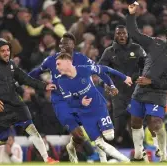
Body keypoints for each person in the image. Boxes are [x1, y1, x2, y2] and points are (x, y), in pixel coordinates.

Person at [28, 33, 117, 163]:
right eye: (62, 43)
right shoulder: (51, 60)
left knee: (86, 135)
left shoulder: (82, 59)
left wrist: (110, 84)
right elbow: (36, 72)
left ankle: (73, 147)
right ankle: (86, 152)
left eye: (67, 43)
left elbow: (98, 71)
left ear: (73, 45)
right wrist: (24, 82)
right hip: (61, 102)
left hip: (79, 99)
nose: (63, 46)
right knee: (78, 134)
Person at [0, 38, 58, 164]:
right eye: (3, 51)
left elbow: (25, 79)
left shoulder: (12, 65)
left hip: (14, 102)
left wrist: (43, 86)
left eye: (8, 50)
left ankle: (47, 158)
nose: (6, 53)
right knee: (5, 136)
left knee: (32, 128)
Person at [126, 3, 167, 162]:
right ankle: (139, 153)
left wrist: (151, 81)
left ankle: (162, 151)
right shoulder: (155, 43)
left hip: (157, 93)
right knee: (135, 122)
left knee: (155, 123)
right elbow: (134, 33)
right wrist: (131, 15)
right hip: (140, 90)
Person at [56, 52, 132, 163]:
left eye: (58, 64)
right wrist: (80, 102)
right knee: (98, 142)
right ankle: (127, 161)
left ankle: (103, 159)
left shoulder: (84, 70)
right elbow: (69, 101)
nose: (56, 67)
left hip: (99, 107)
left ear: (68, 62)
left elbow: (105, 69)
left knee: (109, 136)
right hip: (84, 114)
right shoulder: (61, 81)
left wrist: (124, 77)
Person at [98, 24, 146, 147]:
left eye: (123, 33)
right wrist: (105, 83)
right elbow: (99, 70)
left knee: (137, 123)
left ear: (127, 34)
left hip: (135, 93)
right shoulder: (109, 51)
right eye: (119, 33)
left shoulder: (137, 49)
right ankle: (112, 150)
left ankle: (140, 150)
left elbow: (146, 66)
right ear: (115, 35)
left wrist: (137, 78)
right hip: (118, 94)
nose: (122, 36)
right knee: (118, 124)